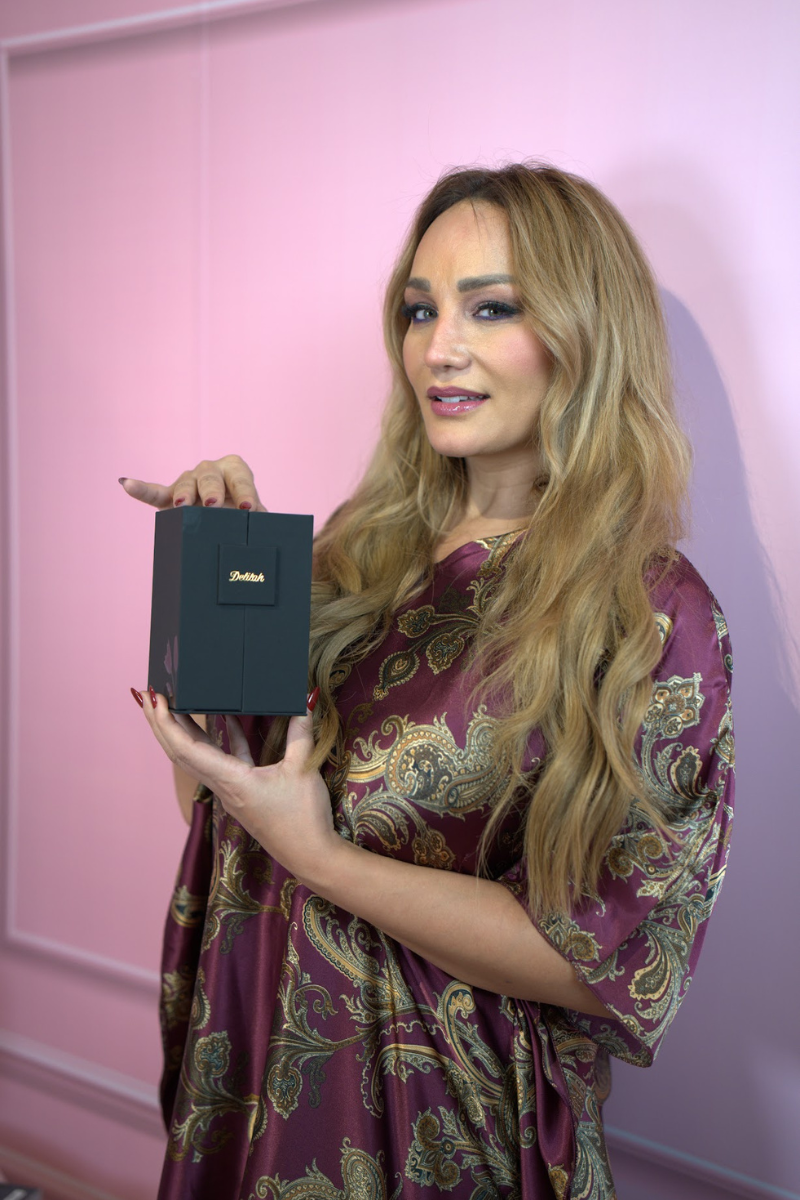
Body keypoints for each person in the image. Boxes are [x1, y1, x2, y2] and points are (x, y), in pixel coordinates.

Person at [125, 164, 734, 1199]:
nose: (436, 348)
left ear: (584, 334)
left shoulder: (644, 610)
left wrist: (317, 853)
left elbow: (609, 958)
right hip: (256, 1074)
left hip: (435, 1130)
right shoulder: (353, 557)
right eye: (418, 309)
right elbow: (220, 817)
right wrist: (222, 583)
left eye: (489, 307)